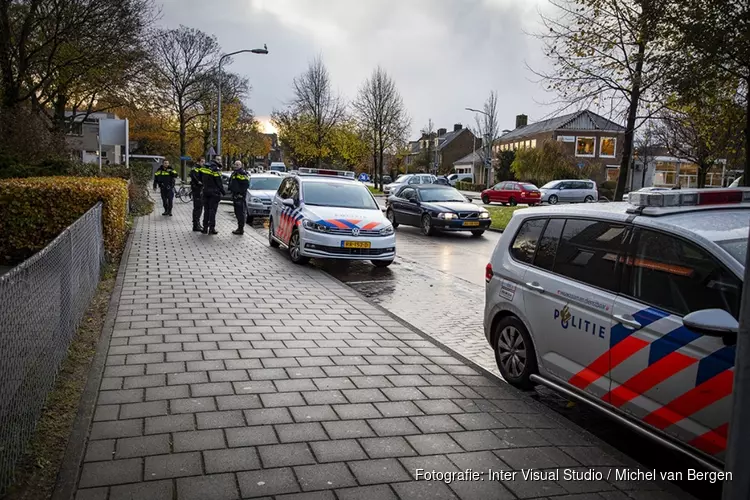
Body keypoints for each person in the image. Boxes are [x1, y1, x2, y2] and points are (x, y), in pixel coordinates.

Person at [200, 155, 225, 234]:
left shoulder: (205, 167)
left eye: (220, 160)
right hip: (214, 192)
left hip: (206, 191)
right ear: (214, 160)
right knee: (212, 211)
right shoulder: (215, 169)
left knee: (206, 210)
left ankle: (204, 228)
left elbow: (200, 177)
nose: (219, 161)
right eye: (218, 159)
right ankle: (211, 229)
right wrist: (223, 191)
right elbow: (219, 182)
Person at [228, 160, 250, 235]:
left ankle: (241, 229)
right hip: (235, 195)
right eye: (235, 164)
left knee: (240, 213)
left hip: (240, 196)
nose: (236, 166)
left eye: (238, 165)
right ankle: (239, 228)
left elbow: (246, 185)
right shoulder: (235, 173)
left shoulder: (242, 173)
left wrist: (240, 194)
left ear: (241, 166)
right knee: (237, 212)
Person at [189, 157, 207, 231]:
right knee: (197, 208)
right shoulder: (195, 168)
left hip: (199, 190)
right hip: (197, 190)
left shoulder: (201, 168)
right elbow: (194, 177)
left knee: (199, 208)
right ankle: (195, 225)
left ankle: (197, 223)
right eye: (202, 162)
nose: (203, 163)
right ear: (198, 162)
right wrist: (199, 183)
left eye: (204, 162)